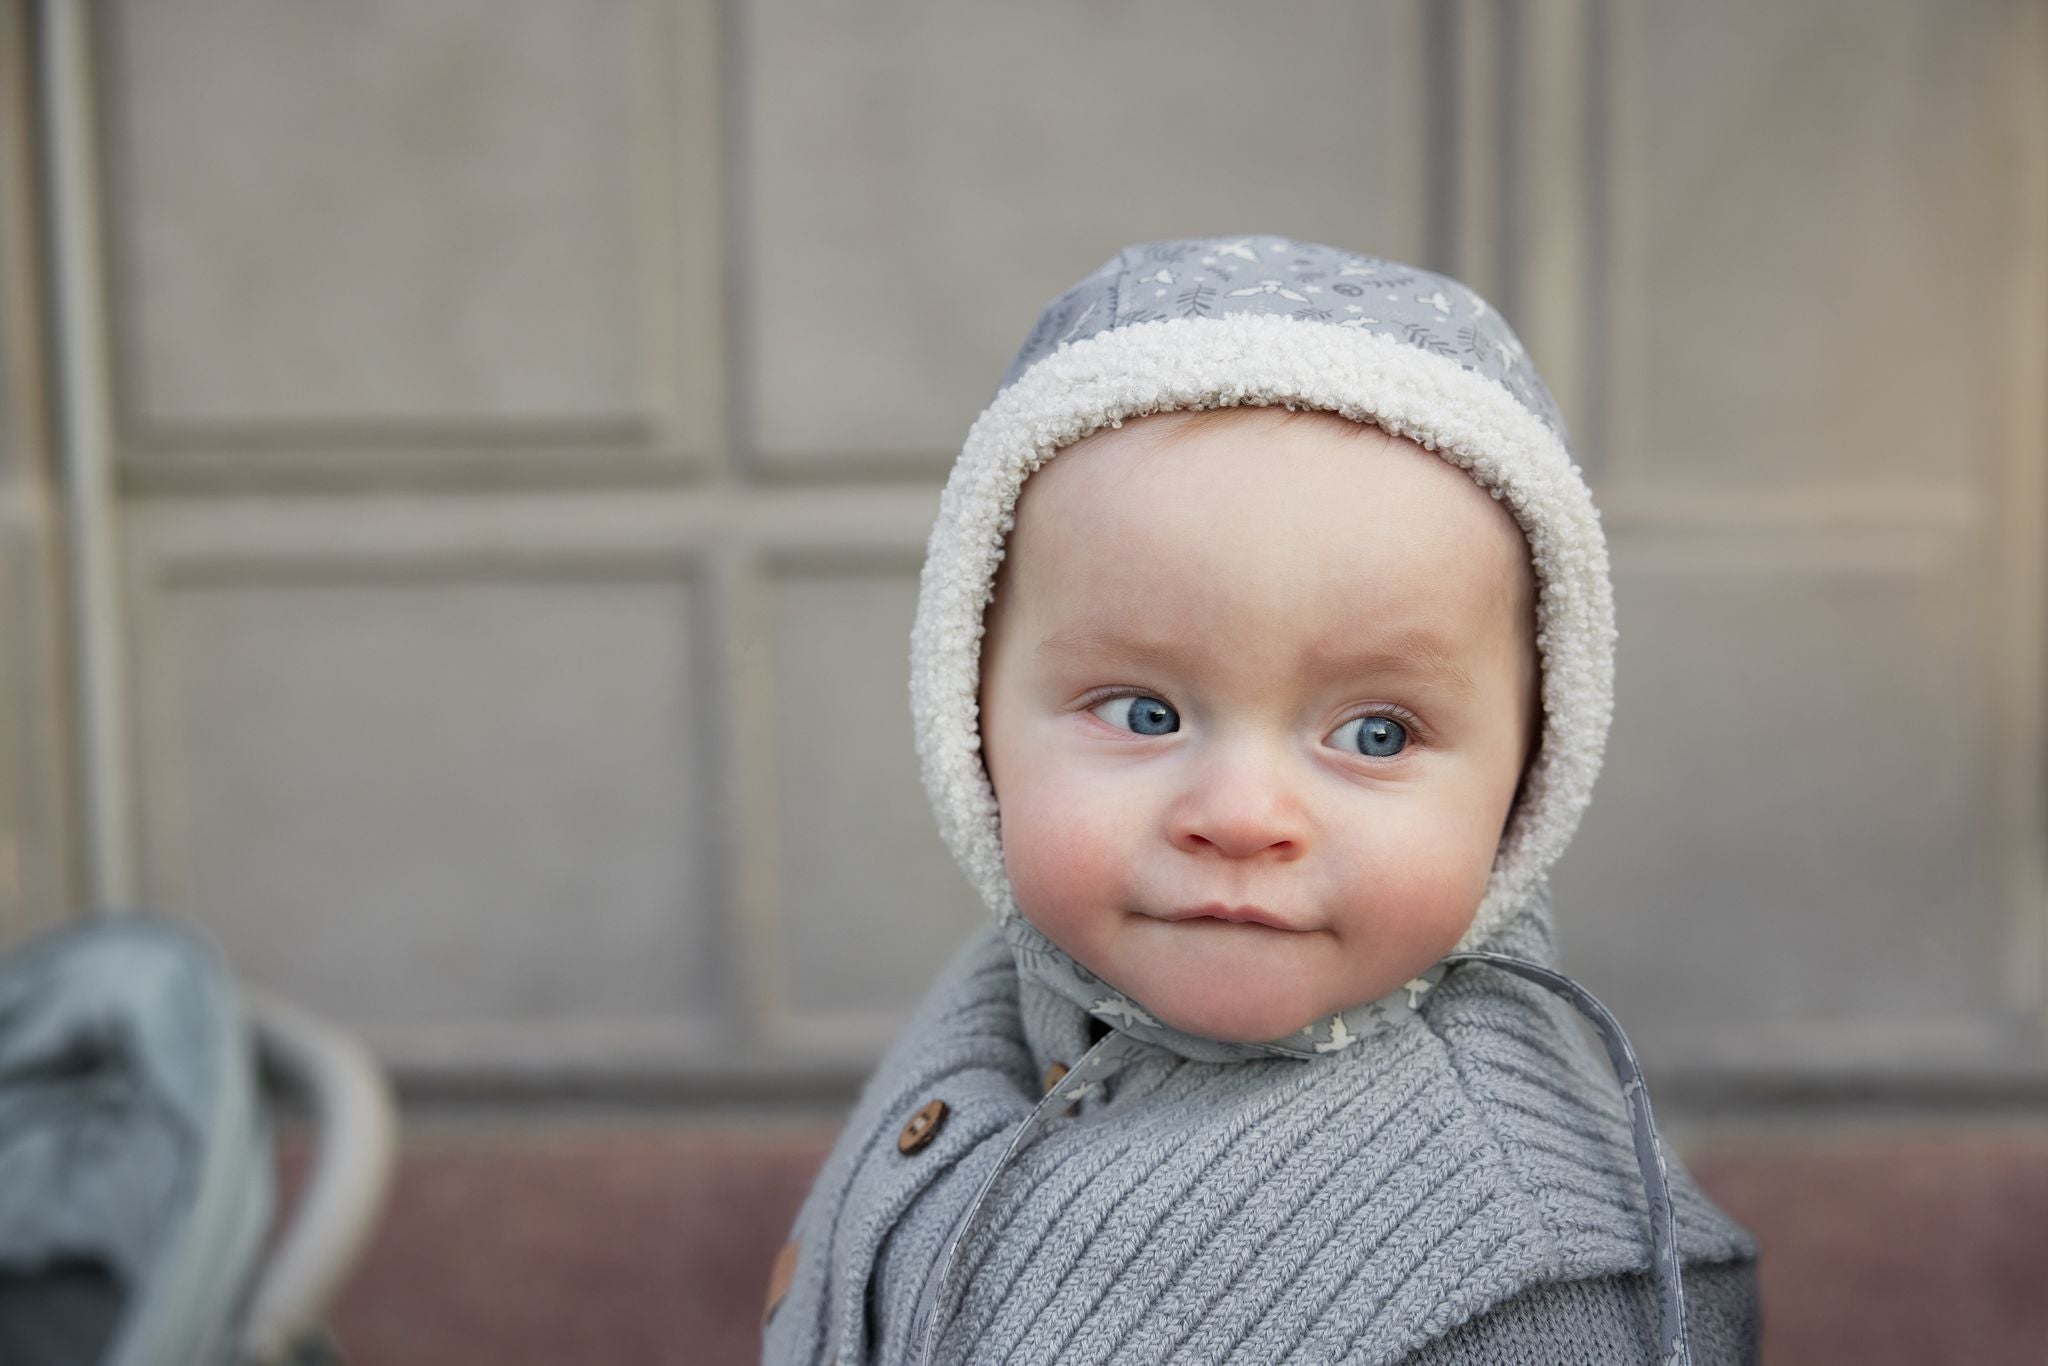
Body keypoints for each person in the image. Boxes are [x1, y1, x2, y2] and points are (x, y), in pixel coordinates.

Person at [758, 235, 1761, 1365]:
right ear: (968, 712)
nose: (1239, 816)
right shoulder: (1010, 994)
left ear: (1529, 774)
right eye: (1143, 713)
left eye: (1373, 733)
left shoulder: (1532, 1282)